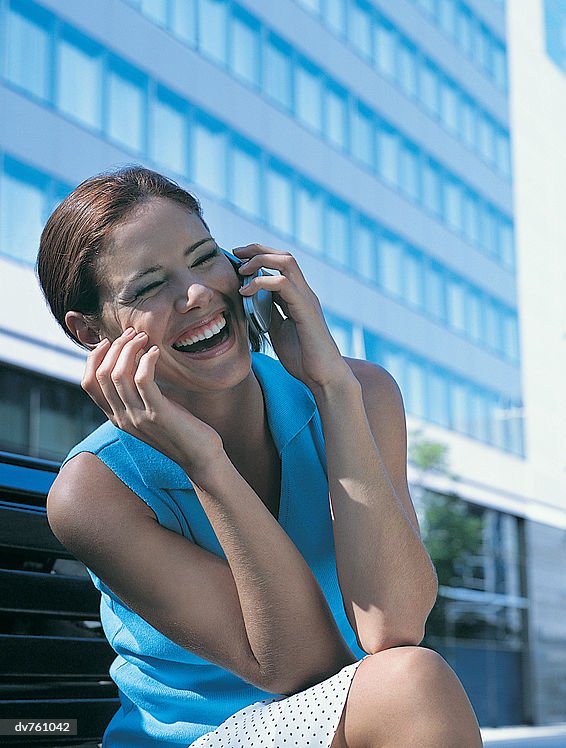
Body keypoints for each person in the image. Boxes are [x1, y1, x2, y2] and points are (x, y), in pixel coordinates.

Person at [36, 166, 484, 747]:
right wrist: (204, 462)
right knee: (411, 684)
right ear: (93, 333)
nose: (196, 293)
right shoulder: (95, 492)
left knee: (408, 677)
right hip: (202, 738)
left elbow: (394, 624)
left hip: (356, 716)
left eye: (204, 258)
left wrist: (335, 390)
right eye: (149, 287)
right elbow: (298, 667)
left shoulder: (357, 394)